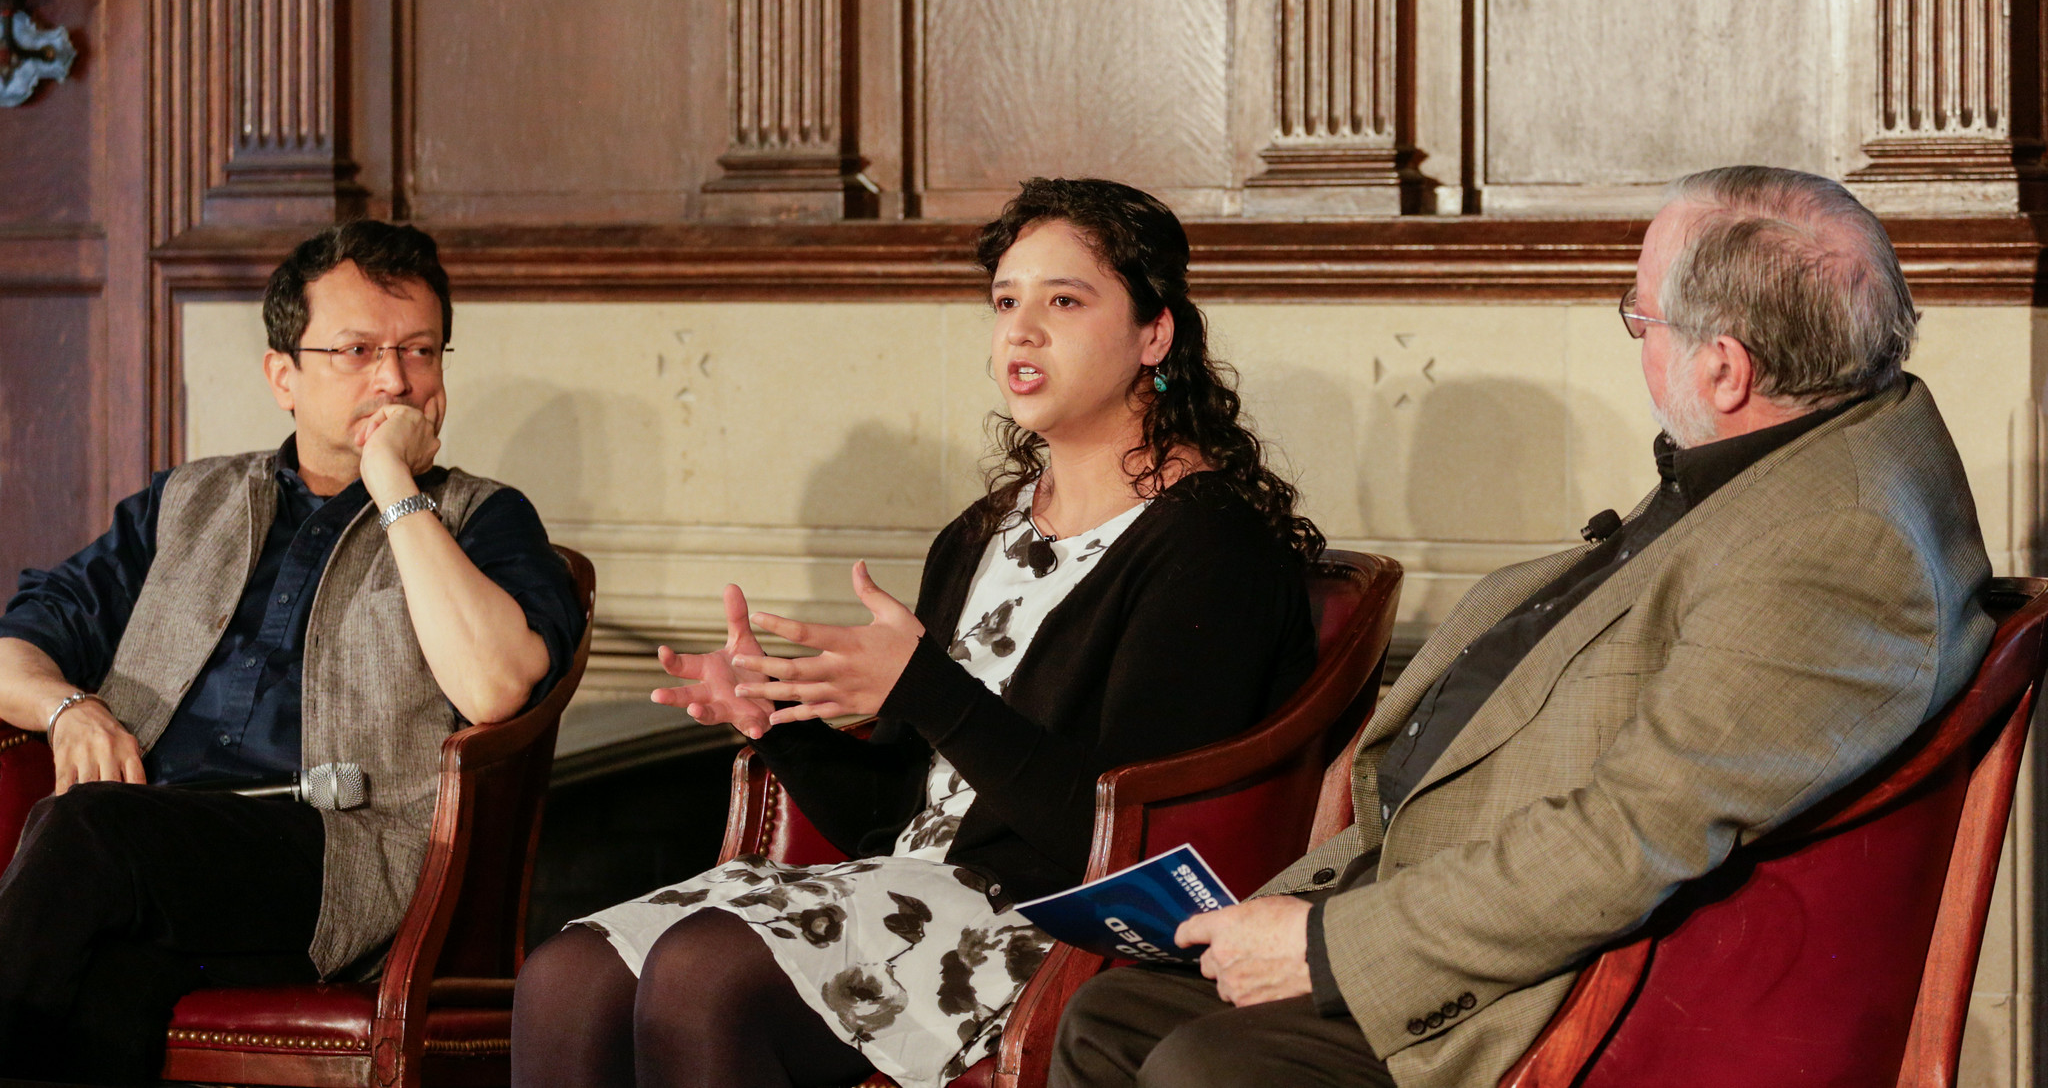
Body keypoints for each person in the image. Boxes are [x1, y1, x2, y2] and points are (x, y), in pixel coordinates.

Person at [1050, 166, 1997, 1088]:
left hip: (1562, 987)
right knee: (1112, 1017)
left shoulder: (1836, 542)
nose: (1638, 342)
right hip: (1435, 883)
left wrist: (1328, 946)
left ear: (1725, 367)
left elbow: (1628, 838)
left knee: (1203, 1065)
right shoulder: (1793, 445)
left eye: (1641, 317)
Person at [510, 178, 1324, 1088]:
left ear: (1154, 334)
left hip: (1050, 928)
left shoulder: (1210, 546)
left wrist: (925, 687)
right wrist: (779, 717)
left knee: (705, 972)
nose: (1020, 330)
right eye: (1006, 301)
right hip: (912, 890)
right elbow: (895, 818)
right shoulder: (981, 534)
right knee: (565, 976)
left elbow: (1116, 840)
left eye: (1064, 300)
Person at [0, 219, 585, 1085]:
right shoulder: (186, 503)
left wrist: (391, 483)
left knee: (81, 828)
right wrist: (67, 706)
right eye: (356, 350)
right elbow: (18, 645)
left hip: (342, 858)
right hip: (162, 846)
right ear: (284, 374)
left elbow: (496, 687)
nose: (395, 379)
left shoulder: (481, 518)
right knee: (106, 986)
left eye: (420, 350)